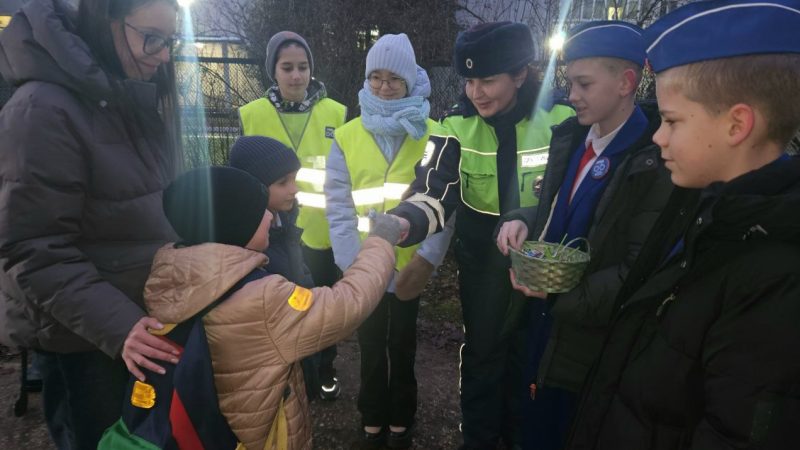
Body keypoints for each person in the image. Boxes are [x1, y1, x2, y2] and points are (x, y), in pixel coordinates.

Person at [564, 1, 800, 448]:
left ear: (737, 125)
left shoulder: (776, 278)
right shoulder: (703, 209)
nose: (657, 135)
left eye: (671, 120)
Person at [0, 0, 183, 447]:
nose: (163, 55)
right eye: (152, 38)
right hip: (87, 342)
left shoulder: (120, 93)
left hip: (131, 329)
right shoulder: (43, 108)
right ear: (106, 23)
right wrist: (120, 327)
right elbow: (32, 248)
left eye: (171, 41)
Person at [388, 22, 575, 449]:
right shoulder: (455, 124)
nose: (476, 92)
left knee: (531, 354)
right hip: (482, 261)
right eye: (469, 80)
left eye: (488, 79)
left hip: (543, 257)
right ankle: (478, 439)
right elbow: (434, 190)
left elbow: (570, 191)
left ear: (521, 75)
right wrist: (405, 222)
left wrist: (527, 215)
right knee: (483, 354)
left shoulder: (562, 119)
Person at [129, 166, 403, 449]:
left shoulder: (167, 274)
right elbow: (347, 304)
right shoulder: (261, 299)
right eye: (260, 211)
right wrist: (381, 240)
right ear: (235, 224)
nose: (271, 216)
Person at [494, 21, 673, 450]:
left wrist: (557, 297)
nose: (570, 95)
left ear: (627, 82)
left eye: (583, 83)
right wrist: (521, 217)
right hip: (543, 330)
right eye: (568, 82)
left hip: (588, 348)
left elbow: (639, 269)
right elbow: (564, 210)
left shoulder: (655, 161)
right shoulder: (575, 138)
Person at [325, 33, 454, 449]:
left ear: (410, 80)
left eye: (393, 80)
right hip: (363, 265)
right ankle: (372, 417)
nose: (383, 87)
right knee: (368, 343)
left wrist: (427, 260)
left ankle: (402, 418)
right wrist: (352, 265)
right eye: (375, 77)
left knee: (402, 344)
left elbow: (446, 203)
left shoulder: (434, 134)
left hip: (409, 265)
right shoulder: (346, 136)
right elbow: (339, 206)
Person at [239, 30, 347, 400]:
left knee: (320, 305)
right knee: (282, 306)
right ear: (274, 70)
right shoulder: (251, 114)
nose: (296, 76)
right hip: (271, 232)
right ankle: (288, 373)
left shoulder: (336, 113)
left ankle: (325, 368)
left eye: (302, 67)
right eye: (287, 67)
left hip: (321, 231)